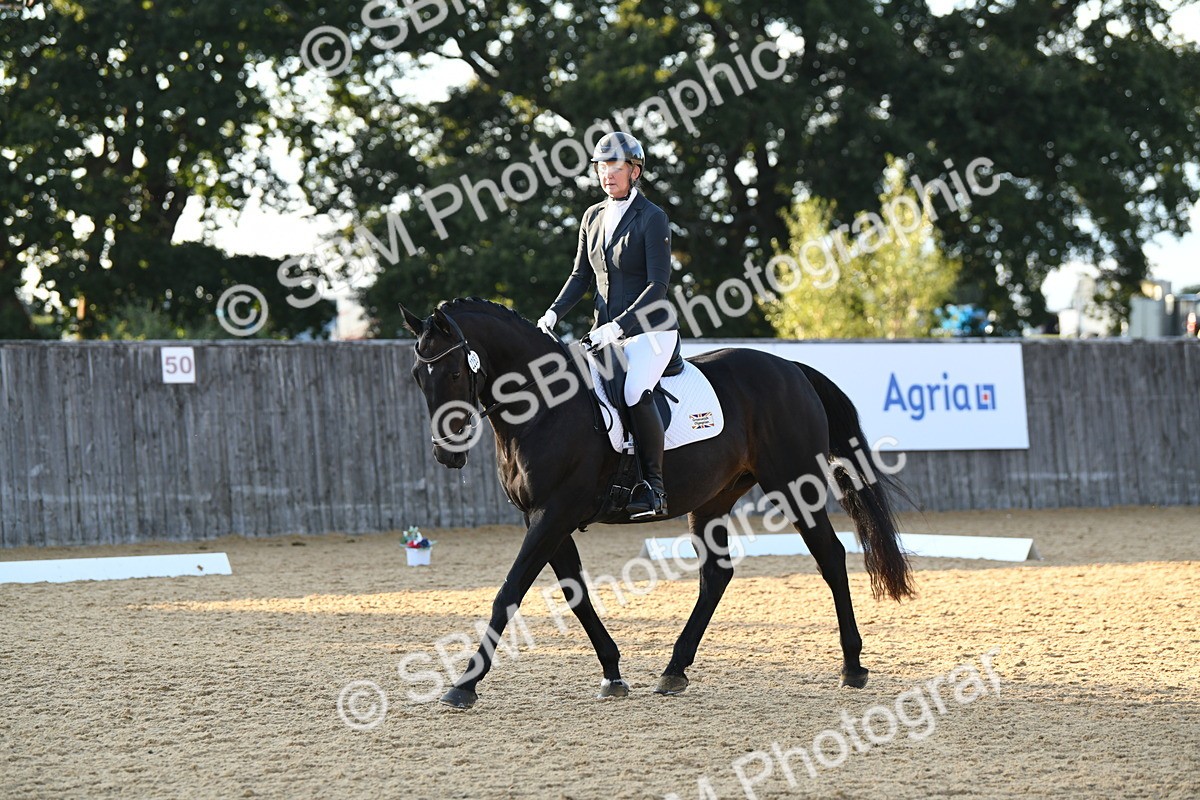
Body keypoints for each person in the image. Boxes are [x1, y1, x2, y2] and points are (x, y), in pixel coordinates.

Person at [536, 131, 679, 519]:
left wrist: (619, 326)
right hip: (604, 335)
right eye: (601, 166)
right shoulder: (592, 216)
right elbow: (580, 276)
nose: (607, 174)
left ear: (634, 171)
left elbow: (658, 286)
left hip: (651, 331)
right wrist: (553, 313)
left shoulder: (653, 218)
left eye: (615, 166)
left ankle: (655, 489)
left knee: (634, 390)